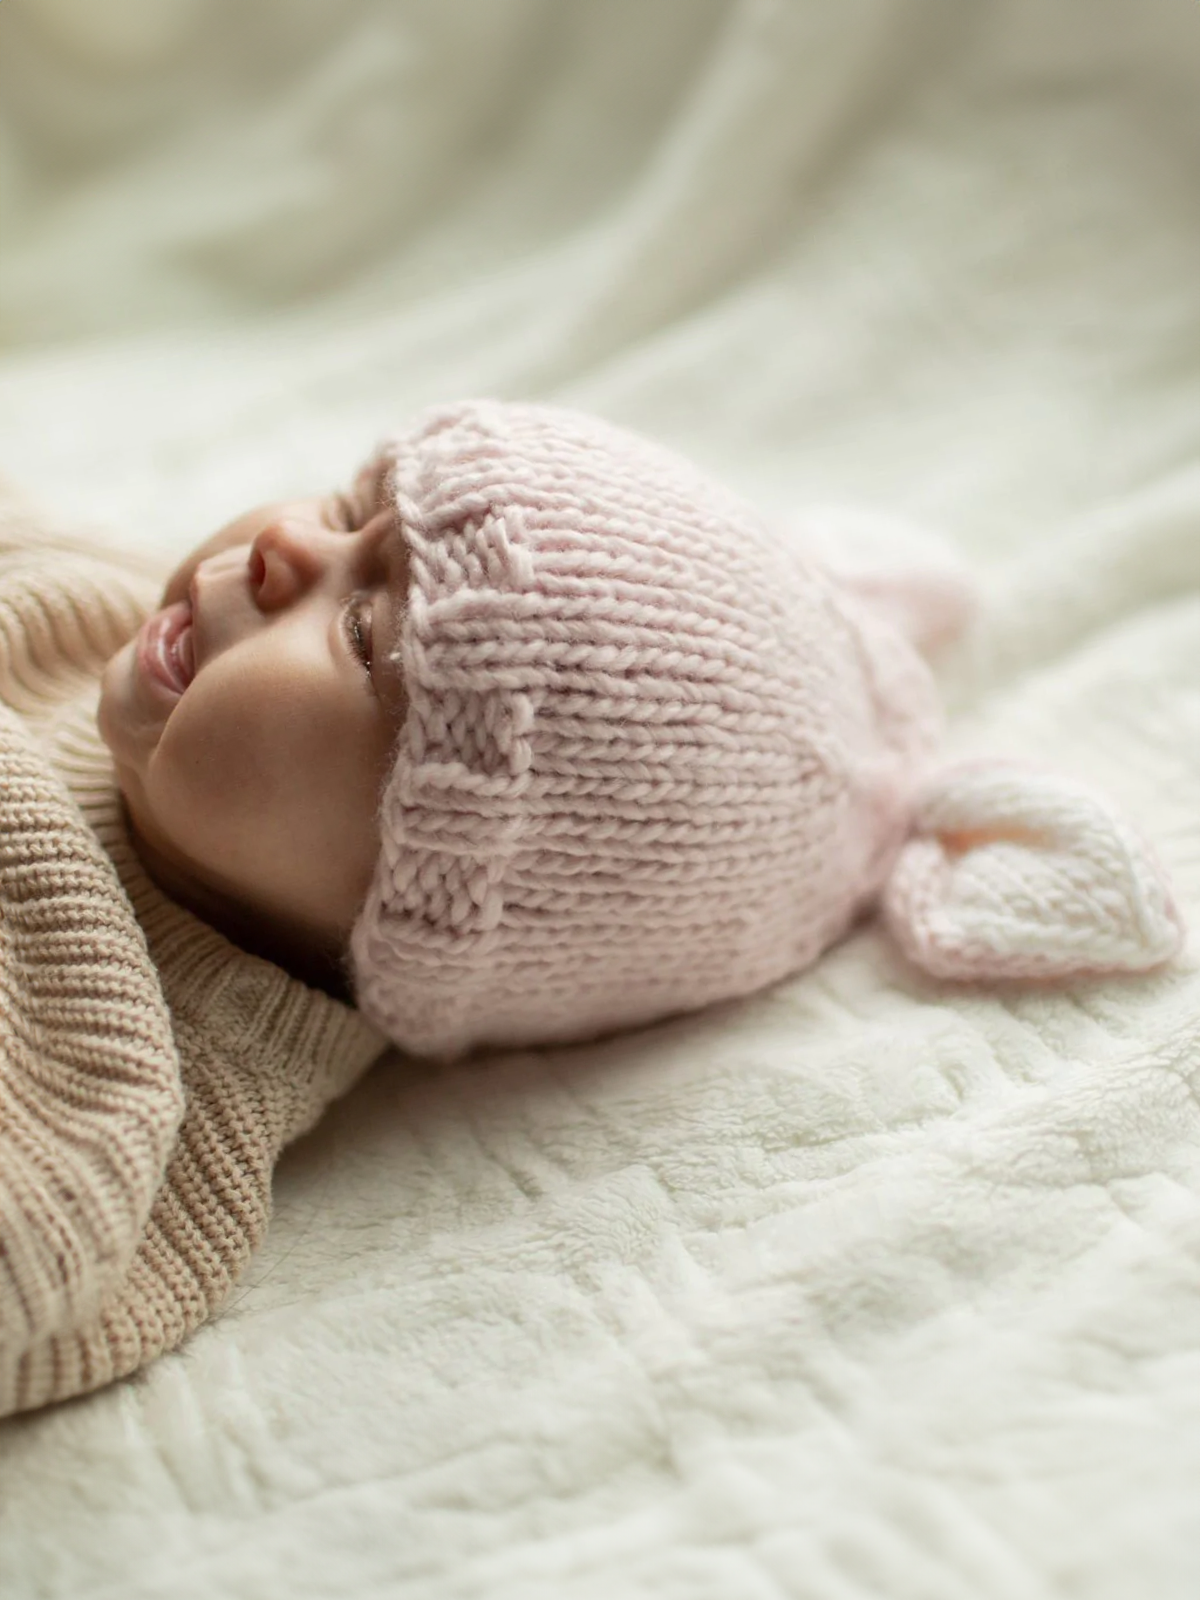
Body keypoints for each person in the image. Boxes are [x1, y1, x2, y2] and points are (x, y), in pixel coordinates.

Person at [0, 400, 1184, 1417]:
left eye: (363, 632)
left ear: (415, 903)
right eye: (346, 508)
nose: (277, 550)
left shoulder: (109, 1094)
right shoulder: (77, 602)